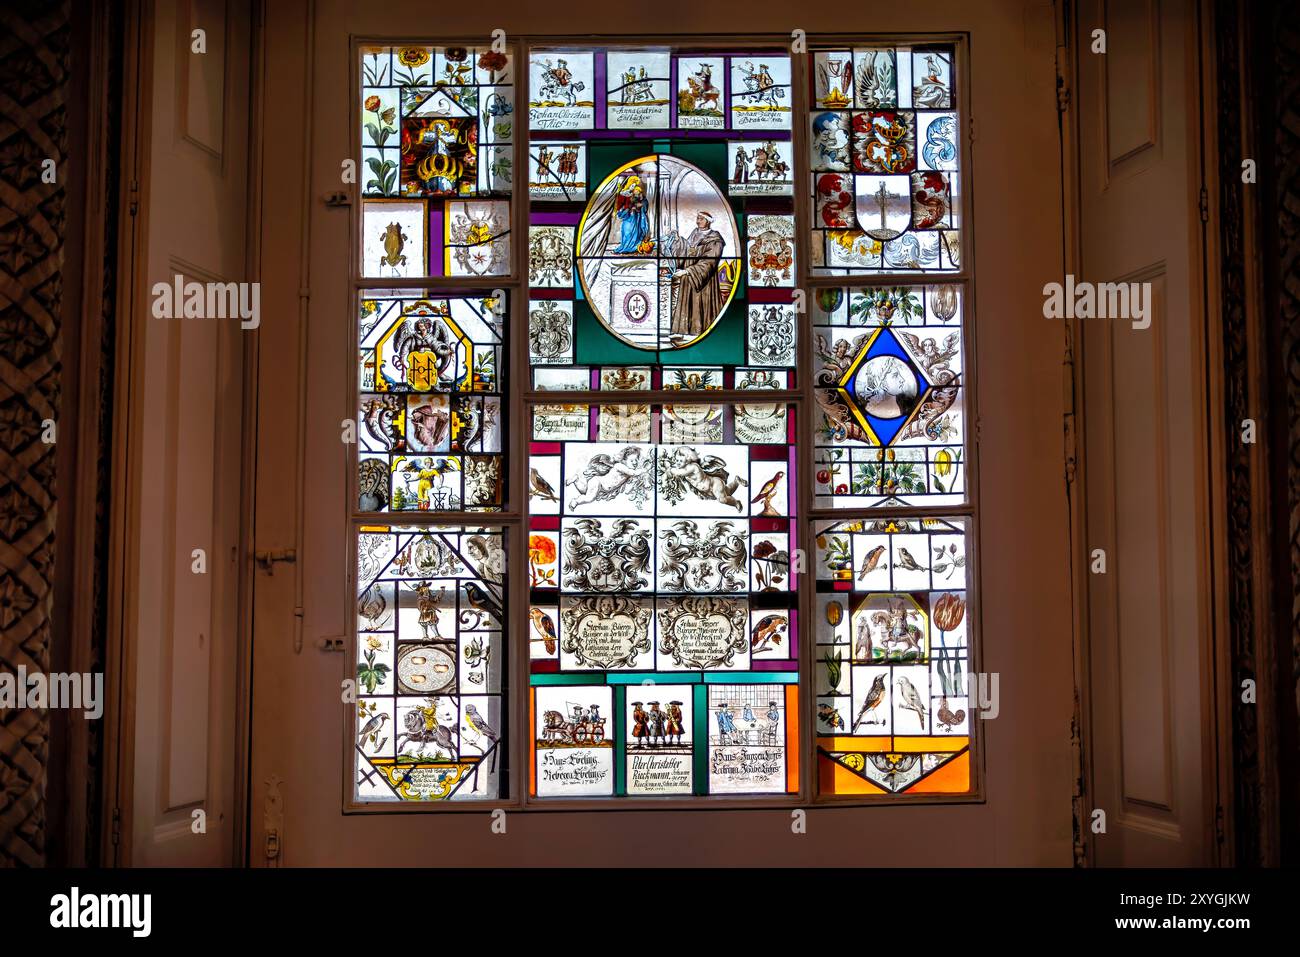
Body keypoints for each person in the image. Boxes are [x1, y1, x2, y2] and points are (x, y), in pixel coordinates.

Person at [670, 210, 726, 337]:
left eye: (701, 219)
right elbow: (687, 250)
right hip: (688, 277)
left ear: (708, 221)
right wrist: (679, 241)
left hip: (703, 280)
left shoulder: (715, 240)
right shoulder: (694, 234)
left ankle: (700, 331)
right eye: (697, 218)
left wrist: (687, 271)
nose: (698, 221)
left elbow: (709, 262)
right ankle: (683, 331)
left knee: (700, 304)